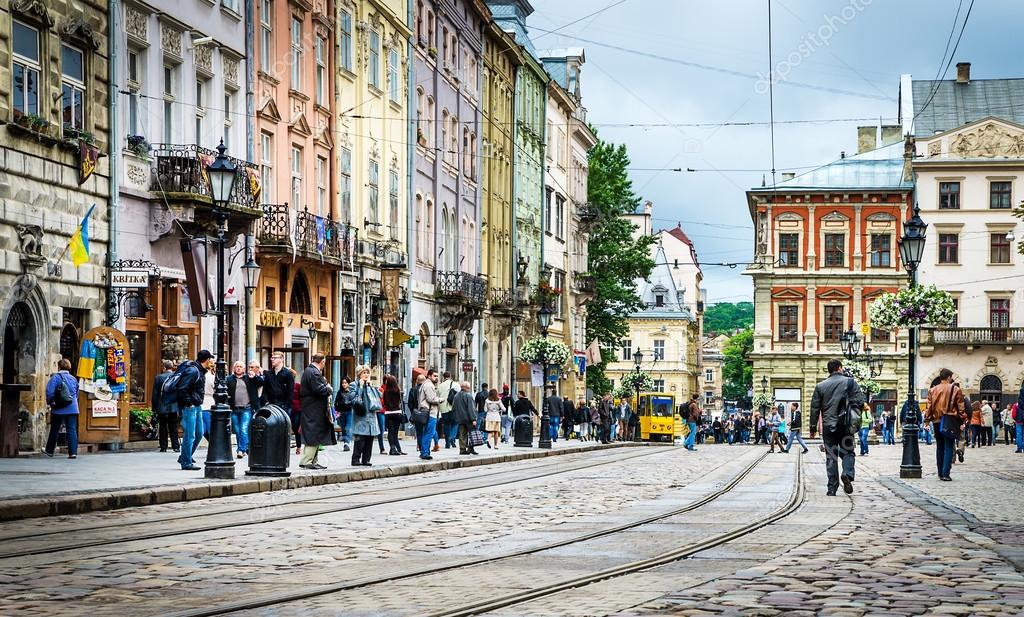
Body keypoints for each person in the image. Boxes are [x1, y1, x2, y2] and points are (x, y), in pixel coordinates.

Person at [810, 358, 864, 496]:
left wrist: (812, 428)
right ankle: (847, 473)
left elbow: (815, 409)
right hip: (846, 425)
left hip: (828, 426)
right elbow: (860, 401)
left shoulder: (820, 386)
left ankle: (832, 488)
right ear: (840, 368)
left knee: (831, 456)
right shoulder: (850, 382)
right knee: (848, 452)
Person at [172, 350, 215, 470]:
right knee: (190, 434)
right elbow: (182, 389)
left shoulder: (199, 371)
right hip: (190, 407)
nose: (211, 361)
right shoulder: (193, 371)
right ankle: (186, 462)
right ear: (207, 360)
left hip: (197, 405)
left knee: (199, 433)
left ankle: (185, 456)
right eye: (210, 359)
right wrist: (189, 403)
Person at [925, 368, 967, 481]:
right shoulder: (955, 389)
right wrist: (963, 420)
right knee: (949, 446)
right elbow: (961, 407)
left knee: (940, 447)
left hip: (937, 421)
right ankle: (945, 473)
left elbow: (929, 408)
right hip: (950, 420)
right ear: (948, 377)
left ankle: (940, 472)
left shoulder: (932, 390)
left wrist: (927, 421)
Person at [298, 354, 334, 470]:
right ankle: (307, 461)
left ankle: (312, 460)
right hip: (314, 409)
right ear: (322, 362)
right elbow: (320, 390)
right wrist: (328, 388)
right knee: (313, 433)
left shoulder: (308, 371)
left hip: (311, 408)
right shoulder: (314, 373)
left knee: (314, 433)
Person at [227, 360, 264, 459]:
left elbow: (261, 382)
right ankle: (245, 448)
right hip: (234, 409)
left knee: (244, 429)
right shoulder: (229, 379)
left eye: (240, 366)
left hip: (246, 408)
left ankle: (240, 450)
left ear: (244, 369)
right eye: (237, 366)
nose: (238, 368)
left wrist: (255, 376)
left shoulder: (249, 378)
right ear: (234, 368)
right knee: (238, 431)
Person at [44, 359, 80, 459]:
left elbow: (49, 392)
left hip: (59, 407)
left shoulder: (55, 378)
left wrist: (50, 402)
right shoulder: (73, 378)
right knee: (71, 429)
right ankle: (73, 452)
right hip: (72, 407)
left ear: (59, 367)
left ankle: (49, 451)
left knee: (55, 429)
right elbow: (76, 393)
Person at [262, 352, 295, 450]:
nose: (272, 359)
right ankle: (272, 445)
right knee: (271, 426)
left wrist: (287, 405)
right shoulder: (269, 373)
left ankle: (283, 446)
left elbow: (290, 391)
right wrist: (266, 402)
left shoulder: (288, 374)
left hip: (283, 405)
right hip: (271, 404)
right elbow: (265, 389)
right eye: (271, 357)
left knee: (283, 427)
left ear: (281, 359)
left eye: (274, 358)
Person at [350, 366, 381, 466]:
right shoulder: (354, 384)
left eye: (367, 373)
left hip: (371, 416)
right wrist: (360, 387)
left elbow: (379, 397)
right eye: (364, 373)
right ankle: (356, 459)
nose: (366, 375)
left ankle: (366, 459)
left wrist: (372, 387)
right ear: (359, 374)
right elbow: (352, 397)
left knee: (370, 439)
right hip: (361, 416)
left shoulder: (370, 385)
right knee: (360, 439)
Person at [152, 360, 179, 453]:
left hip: (162, 405)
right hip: (174, 406)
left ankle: (163, 447)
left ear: (164, 368)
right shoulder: (177, 377)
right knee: (174, 426)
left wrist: (154, 407)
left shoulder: (158, 378)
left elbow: (155, 394)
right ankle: (176, 446)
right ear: (172, 367)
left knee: (162, 427)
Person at [417, 369, 442, 460]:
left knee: (426, 433)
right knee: (429, 433)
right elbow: (431, 399)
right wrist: (440, 400)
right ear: (429, 376)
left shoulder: (426, 384)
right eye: (434, 376)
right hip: (430, 413)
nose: (436, 378)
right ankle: (425, 453)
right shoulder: (428, 385)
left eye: (437, 376)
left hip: (427, 412)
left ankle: (424, 451)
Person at [382, 374, 406, 456]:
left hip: (388, 413)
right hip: (397, 413)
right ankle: (398, 449)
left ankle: (392, 448)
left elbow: (385, 402)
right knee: (395, 432)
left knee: (390, 432)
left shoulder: (385, 392)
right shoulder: (398, 391)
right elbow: (400, 402)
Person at [452, 381, 478, 455]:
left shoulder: (456, 396)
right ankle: (471, 448)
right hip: (468, 418)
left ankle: (462, 449)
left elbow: (453, 408)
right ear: (466, 388)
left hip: (460, 419)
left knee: (462, 434)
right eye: (469, 388)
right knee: (472, 433)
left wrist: (456, 417)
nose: (469, 389)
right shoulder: (468, 396)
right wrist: (473, 419)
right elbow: (471, 408)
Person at [436, 372, 458, 449]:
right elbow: (458, 395)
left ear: (443, 377)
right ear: (450, 376)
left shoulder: (440, 386)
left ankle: (447, 442)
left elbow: (437, 397)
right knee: (455, 423)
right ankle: (452, 437)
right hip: (453, 407)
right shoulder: (456, 384)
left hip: (443, 408)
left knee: (446, 425)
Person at [334, 378, 353, 452]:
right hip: (342, 412)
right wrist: (337, 411)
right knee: (343, 428)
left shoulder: (351, 392)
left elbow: (354, 401)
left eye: (345, 383)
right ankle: (346, 442)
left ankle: (347, 443)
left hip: (349, 411)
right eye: (343, 383)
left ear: (348, 383)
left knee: (348, 427)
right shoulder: (339, 392)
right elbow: (336, 402)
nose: (344, 384)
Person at [201, 363, 215, 443]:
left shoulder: (200, 376)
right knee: (210, 428)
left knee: (203, 429)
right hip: (209, 403)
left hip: (200, 404)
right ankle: (213, 445)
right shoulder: (213, 378)